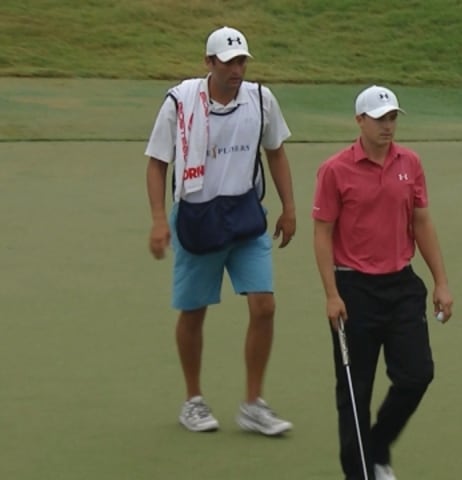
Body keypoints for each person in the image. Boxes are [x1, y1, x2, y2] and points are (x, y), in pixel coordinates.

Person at [144, 26, 296, 436]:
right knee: (193, 312)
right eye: (228, 62)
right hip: (196, 216)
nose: (237, 69)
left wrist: (289, 207)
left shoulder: (261, 100)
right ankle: (193, 400)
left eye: (242, 60)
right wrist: (160, 220)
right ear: (209, 63)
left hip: (245, 215)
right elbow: (158, 162)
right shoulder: (180, 102)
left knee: (264, 305)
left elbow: (276, 152)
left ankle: (252, 404)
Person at [312, 85, 455, 480]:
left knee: (417, 374)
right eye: (379, 119)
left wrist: (441, 281)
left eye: (392, 118)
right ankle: (360, 472)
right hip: (354, 289)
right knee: (355, 392)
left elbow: (421, 222)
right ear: (360, 121)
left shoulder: (410, 162)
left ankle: (377, 446)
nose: (388, 126)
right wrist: (331, 294)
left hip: (402, 285)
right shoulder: (335, 170)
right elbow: (322, 233)